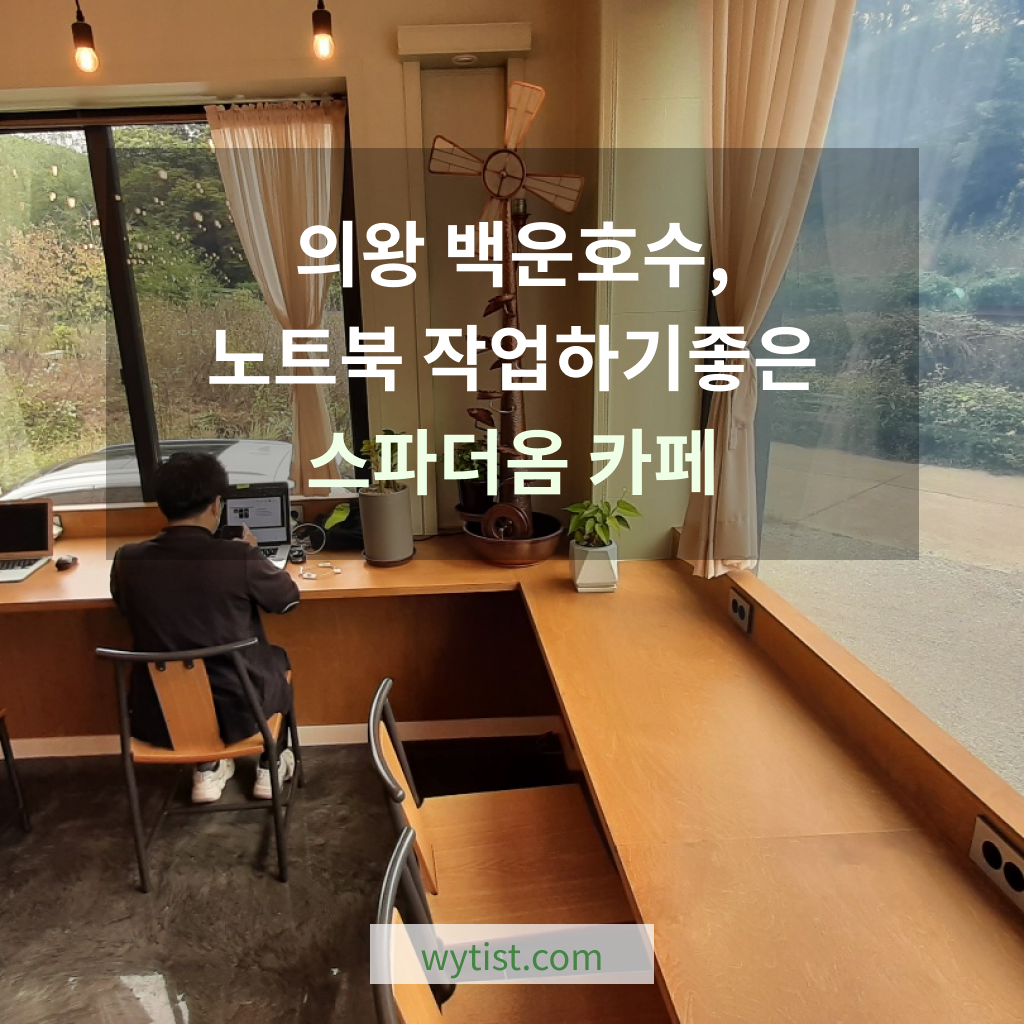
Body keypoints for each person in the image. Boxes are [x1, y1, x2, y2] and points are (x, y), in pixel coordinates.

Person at [110, 452, 300, 804]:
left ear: (162, 504)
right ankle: (269, 765)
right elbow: (287, 600)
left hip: (159, 715)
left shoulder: (127, 559)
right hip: (239, 710)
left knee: (186, 663)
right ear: (216, 505)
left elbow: (124, 606)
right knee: (276, 658)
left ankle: (207, 769)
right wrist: (252, 554)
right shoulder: (237, 557)